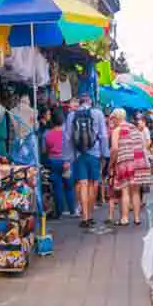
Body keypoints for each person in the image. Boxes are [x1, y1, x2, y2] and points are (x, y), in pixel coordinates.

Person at [62, 90, 109, 228]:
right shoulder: (98, 114)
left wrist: (67, 158)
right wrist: (105, 154)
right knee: (93, 184)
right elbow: (104, 136)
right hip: (94, 154)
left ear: (79, 102)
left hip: (78, 154)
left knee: (82, 183)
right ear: (90, 101)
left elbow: (68, 138)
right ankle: (90, 215)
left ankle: (84, 216)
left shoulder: (71, 115)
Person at [109, 109, 151, 225]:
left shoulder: (117, 130)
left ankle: (125, 218)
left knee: (125, 191)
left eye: (113, 118)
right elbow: (141, 145)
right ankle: (137, 218)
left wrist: (111, 163)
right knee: (136, 191)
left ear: (117, 118)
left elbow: (115, 149)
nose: (112, 121)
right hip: (138, 161)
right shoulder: (133, 128)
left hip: (125, 161)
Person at [44, 111, 76, 220]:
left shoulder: (47, 134)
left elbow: (44, 149)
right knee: (69, 187)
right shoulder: (67, 134)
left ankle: (59, 212)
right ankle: (72, 210)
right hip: (66, 162)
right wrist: (69, 161)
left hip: (53, 162)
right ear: (63, 120)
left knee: (57, 187)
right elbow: (72, 149)